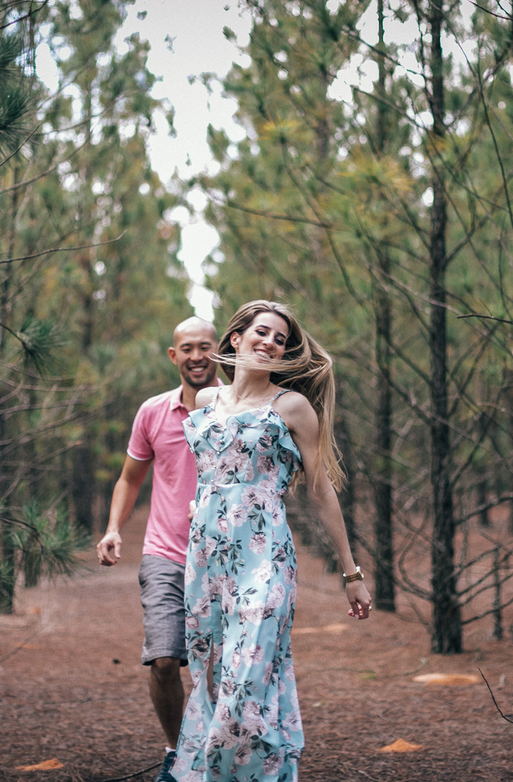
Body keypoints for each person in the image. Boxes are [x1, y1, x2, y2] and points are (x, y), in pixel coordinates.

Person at [175, 300, 371, 782]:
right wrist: (201, 505)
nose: (270, 343)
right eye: (261, 332)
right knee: (213, 675)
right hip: (206, 559)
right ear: (236, 337)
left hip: (263, 559)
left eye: (280, 339)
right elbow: (208, 474)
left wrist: (351, 572)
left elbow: (321, 489)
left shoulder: (291, 406)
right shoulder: (205, 401)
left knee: (248, 678)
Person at [97, 317, 220, 782]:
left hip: (224, 559)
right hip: (165, 554)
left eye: (204, 347)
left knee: (217, 670)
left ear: (219, 351)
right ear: (174, 355)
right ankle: (176, 752)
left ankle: (218, 755)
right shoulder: (152, 412)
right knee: (166, 661)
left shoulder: (236, 410)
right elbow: (130, 478)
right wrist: (114, 528)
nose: (196, 356)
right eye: (187, 348)